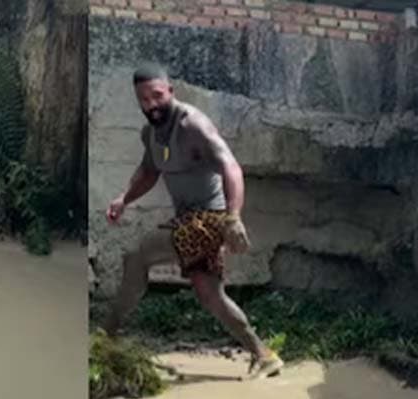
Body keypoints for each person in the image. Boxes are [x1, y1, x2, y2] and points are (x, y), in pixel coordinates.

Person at [102, 64, 283, 380]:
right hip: (186, 219)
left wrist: (233, 218)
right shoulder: (151, 134)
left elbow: (231, 167)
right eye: (143, 99)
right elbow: (148, 172)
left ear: (170, 91)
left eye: (157, 96)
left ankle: (105, 335)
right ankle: (263, 354)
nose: (151, 105)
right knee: (210, 295)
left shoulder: (192, 126)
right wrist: (124, 198)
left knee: (137, 254)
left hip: (211, 219)